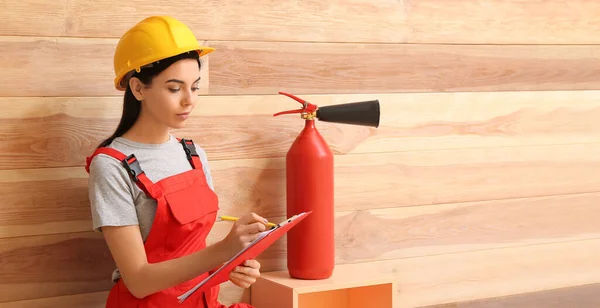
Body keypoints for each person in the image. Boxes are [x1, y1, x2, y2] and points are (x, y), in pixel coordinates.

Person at [85, 16, 267, 308]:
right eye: (174, 88)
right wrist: (223, 249)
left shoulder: (193, 154)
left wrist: (231, 264)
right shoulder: (111, 166)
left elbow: (191, 254)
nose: (189, 100)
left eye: (194, 87)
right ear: (138, 88)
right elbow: (139, 281)